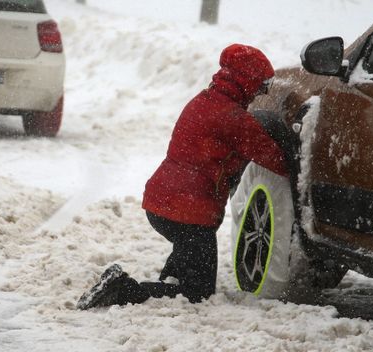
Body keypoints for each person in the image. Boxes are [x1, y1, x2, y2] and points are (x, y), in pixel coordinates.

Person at [77, 44, 289, 309]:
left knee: (189, 250)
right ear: (246, 81)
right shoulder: (233, 118)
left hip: (162, 203)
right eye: (261, 84)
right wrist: (291, 143)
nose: (263, 92)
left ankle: (171, 276)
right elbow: (277, 160)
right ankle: (123, 289)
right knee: (197, 293)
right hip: (188, 213)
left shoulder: (204, 100)